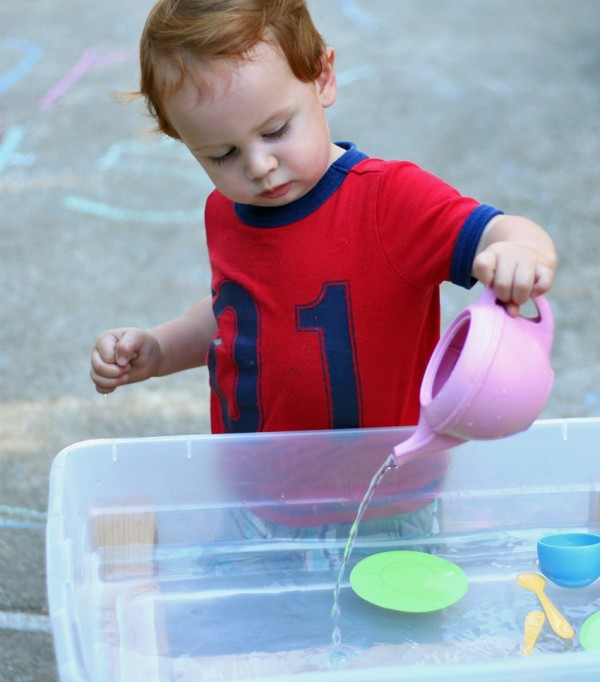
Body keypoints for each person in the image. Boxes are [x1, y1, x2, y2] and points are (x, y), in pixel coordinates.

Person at [90, 0, 557, 549]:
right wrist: (161, 348)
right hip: (255, 496)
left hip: (384, 501)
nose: (258, 166)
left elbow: (501, 230)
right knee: (264, 628)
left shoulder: (389, 201)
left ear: (323, 76)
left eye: (276, 130)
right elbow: (238, 313)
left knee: (383, 628)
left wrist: (522, 252)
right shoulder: (226, 211)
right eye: (221, 154)